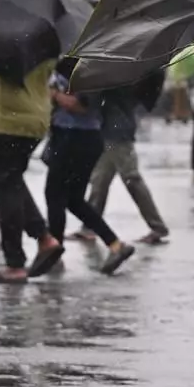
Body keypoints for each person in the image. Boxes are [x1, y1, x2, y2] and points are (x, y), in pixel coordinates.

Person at [0, 61, 64, 284]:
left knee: (4, 191)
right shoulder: (44, 43)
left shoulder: (7, 44)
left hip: (8, 121)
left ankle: (15, 263)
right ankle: (44, 238)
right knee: (12, 181)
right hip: (34, 118)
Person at [44, 62, 135, 275]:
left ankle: (53, 253)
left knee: (55, 195)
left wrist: (54, 95)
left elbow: (80, 106)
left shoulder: (90, 70)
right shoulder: (68, 66)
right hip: (72, 137)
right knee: (73, 200)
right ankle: (115, 245)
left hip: (75, 138)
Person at [77, 78, 170, 246]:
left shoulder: (120, 69)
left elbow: (100, 96)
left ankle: (158, 227)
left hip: (117, 128)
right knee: (100, 179)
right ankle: (89, 227)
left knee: (131, 178)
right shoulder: (125, 67)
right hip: (111, 127)